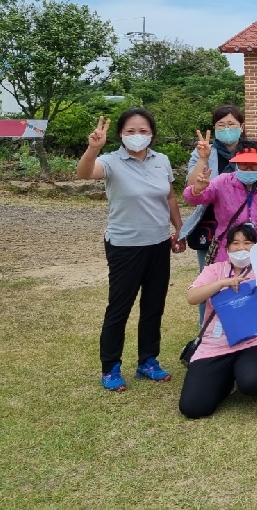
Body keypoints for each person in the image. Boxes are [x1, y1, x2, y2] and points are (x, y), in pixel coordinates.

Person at [77, 111, 185, 391]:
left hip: (159, 243)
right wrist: (93, 148)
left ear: (152, 133)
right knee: (119, 308)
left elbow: (170, 196)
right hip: (125, 246)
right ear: (121, 134)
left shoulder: (161, 160)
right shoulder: (110, 161)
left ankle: (148, 361)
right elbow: (84, 174)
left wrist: (179, 229)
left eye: (143, 129)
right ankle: (110, 366)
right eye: (130, 130)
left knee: (153, 306)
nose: (137, 135)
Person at [178, 224, 257, 418]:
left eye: (247, 242)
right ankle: (228, 379)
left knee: (254, 382)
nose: (241, 247)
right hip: (216, 343)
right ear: (226, 248)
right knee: (193, 408)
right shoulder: (214, 270)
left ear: (256, 247)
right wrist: (221, 284)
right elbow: (192, 297)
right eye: (235, 243)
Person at [184, 141, 257, 272]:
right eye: (244, 164)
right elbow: (194, 199)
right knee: (223, 286)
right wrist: (196, 190)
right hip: (226, 248)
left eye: (254, 164)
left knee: (255, 288)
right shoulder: (223, 181)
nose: (249, 168)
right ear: (236, 163)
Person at [179, 106, 246, 287]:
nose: (226, 129)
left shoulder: (250, 152)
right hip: (211, 229)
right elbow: (191, 189)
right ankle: (208, 316)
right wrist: (203, 159)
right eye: (221, 125)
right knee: (209, 284)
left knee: (243, 281)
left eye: (232, 124)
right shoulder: (204, 152)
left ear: (242, 127)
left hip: (244, 228)